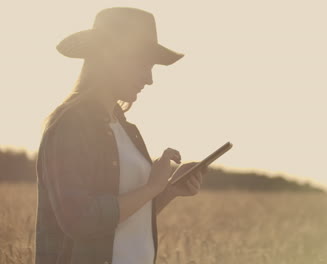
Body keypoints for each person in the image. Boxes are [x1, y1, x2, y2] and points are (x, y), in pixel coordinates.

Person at [35, 7, 206, 264]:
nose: (149, 80)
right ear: (112, 58)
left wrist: (168, 190)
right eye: (143, 66)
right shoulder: (71, 125)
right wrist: (152, 187)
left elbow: (125, 218)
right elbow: (80, 220)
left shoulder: (128, 131)